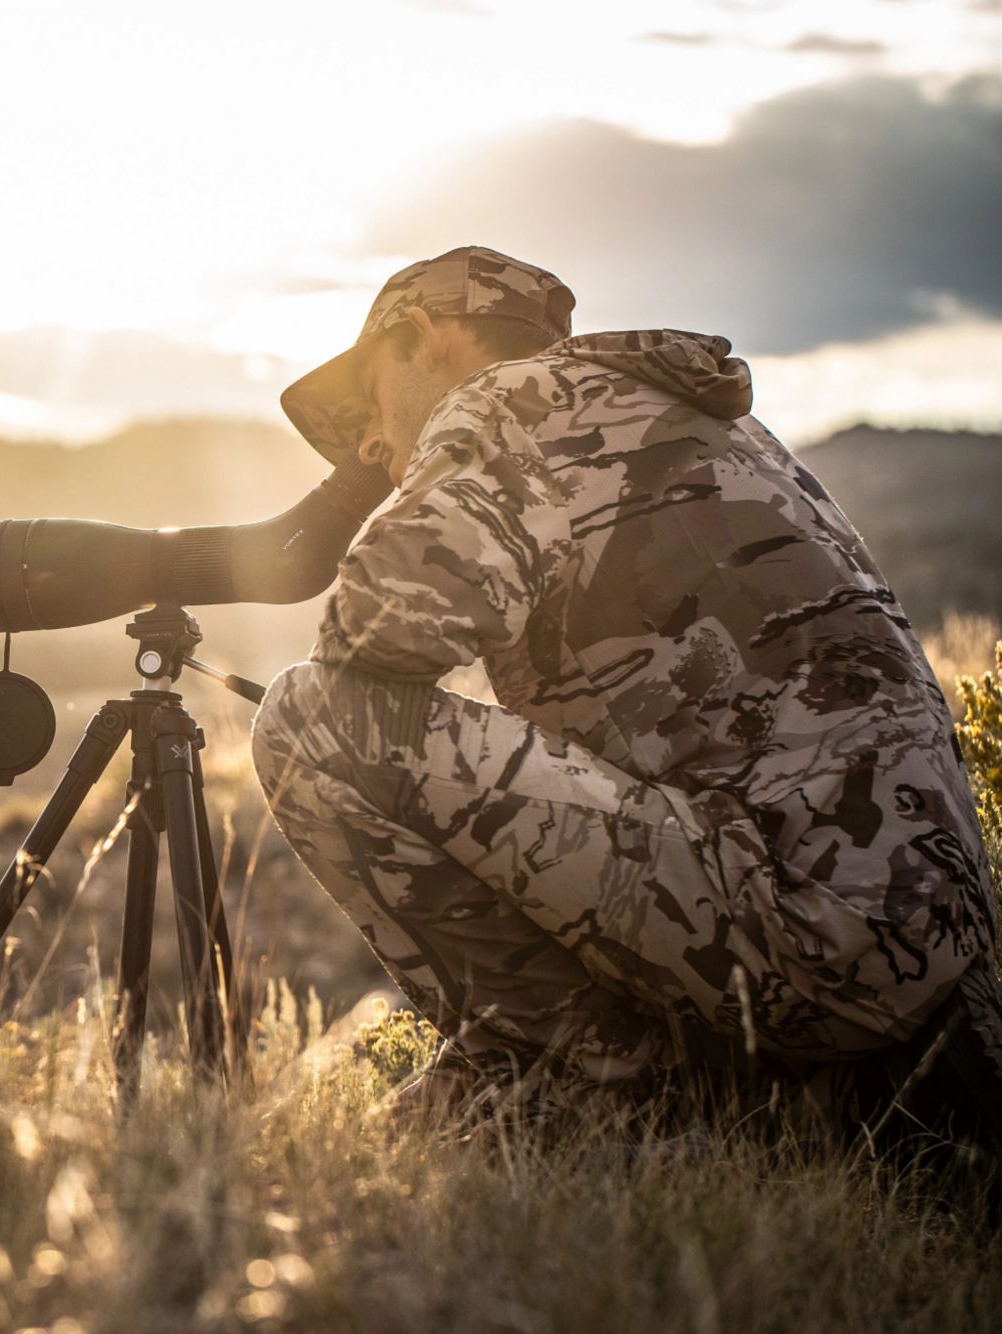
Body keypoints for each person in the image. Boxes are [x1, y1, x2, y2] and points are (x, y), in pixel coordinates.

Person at [249, 244, 1001, 1142]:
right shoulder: (711, 430)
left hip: (806, 930)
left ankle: (604, 1083)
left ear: (425, 337)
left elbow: (375, 632)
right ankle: (778, 1103)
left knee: (315, 719)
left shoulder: (507, 403)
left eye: (372, 405)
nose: (372, 445)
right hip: (929, 955)